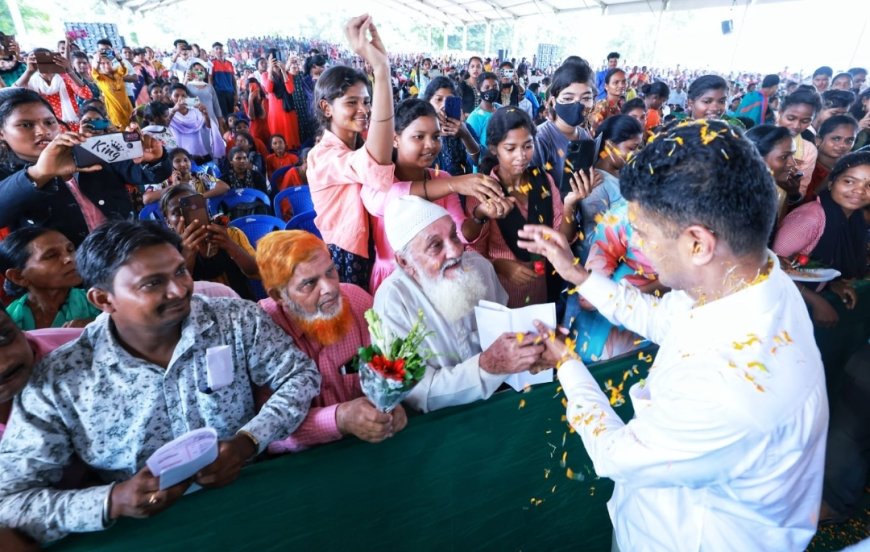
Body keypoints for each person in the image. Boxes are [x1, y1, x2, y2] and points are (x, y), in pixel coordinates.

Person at [518, 118, 827, 552]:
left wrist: (566, 364)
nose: (637, 244)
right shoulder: (750, 276)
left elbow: (614, 454)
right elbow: (666, 319)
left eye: (642, 232)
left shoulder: (726, 390)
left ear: (698, 244)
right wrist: (577, 275)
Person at [0, 220, 320, 544]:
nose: (180, 290)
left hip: (254, 500)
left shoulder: (234, 319)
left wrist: (247, 442)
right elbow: (11, 502)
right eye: (153, 283)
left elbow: (299, 376)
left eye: (180, 271)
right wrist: (114, 501)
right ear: (103, 300)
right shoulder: (61, 380)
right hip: (147, 534)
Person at [374, 195, 546, 412]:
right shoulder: (392, 301)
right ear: (404, 262)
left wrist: (531, 352)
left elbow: (506, 332)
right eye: (436, 245)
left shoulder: (480, 267)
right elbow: (415, 393)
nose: (456, 251)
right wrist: (486, 366)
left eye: (454, 236)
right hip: (441, 426)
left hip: (502, 404)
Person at [255, 230, 407, 452]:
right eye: (309, 283)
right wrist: (340, 419)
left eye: (330, 272)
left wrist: (393, 404)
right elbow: (266, 433)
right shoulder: (261, 333)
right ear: (279, 296)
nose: (330, 288)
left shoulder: (358, 302)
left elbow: (387, 373)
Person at [363, 98, 502, 293]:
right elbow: (393, 198)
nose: (430, 145)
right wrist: (454, 184)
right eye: (419, 137)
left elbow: (461, 234)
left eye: (436, 137)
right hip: (394, 283)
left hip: (437, 278)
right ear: (395, 139)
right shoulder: (380, 181)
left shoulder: (442, 179)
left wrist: (480, 213)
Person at [0, 88, 169, 246]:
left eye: (49, 122)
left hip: (126, 252)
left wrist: (154, 159)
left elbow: (150, 175)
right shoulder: (7, 175)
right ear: (2, 133)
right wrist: (38, 173)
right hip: (69, 272)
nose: (42, 131)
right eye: (26, 125)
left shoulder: (87, 149)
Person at [307, 15, 397, 288]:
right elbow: (376, 167)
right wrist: (381, 71)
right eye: (352, 102)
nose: (365, 110)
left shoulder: (362, 141)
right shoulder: (322, 157)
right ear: (326, 108)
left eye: (367, 101)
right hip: (347, 257)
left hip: (377, 247)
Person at [467, 107, 588, 307]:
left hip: (540, 288)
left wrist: (569, 205)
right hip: (500, 294)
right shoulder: (484, 191)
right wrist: (499, 265)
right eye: (511, 148)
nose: (521, 156)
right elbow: (472, 252)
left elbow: (562, 238)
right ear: (494, 148)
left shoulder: (543, 180)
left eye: (527, 146)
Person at [773, 151, 869, 327]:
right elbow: (769, 267)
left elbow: (820, 267)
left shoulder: (855, 219)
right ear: (832, 183)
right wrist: (815, 300)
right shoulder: (810, 218)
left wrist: (833, 284)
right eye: (849, 181)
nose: (859, 190)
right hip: (781, 308)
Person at [161, 184, 259, 300]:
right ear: (168, 222)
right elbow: (178, 292)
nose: (185, 216)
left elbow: (254, 270)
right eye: (177, 213)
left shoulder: (230, 234)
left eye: (192, 207)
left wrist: (230, 245)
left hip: (242, 305)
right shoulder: (170, 252)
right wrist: (188, 252)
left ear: (205, 208)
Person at [0, 227, 101, 330]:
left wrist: (100, 324)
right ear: (18, 276)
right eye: (51, 255)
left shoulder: (100, 303)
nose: (70, 258)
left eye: (70, 250)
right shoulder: (9, 320)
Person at [578, 115, 644, 262]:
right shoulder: (597, 183)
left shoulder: (624, 172)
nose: (637, 153)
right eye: (632, 148)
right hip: (603, 260)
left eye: (639, 147)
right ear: (609, 146)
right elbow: (593, 236)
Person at [533, 61, 596, 200]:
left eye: (586, 98)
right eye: (568, 98)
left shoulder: (584, 136)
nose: (578, 105)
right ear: (554, 101)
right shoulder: (540, 138)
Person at [14, 48, 93, 132]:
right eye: (38, 60)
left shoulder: (65, 77)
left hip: (71, 126)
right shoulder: (30, 81)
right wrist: (28, 71)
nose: (43, 63)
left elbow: (87, 95)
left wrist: (69, 69)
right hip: (44, 128)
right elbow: (13, 95)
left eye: (47, 59)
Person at [421, 77, 480, 176]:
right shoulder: (421, 128)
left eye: (449, 101)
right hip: (431, 187)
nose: (444, 105)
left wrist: (465, 135)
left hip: (461, 187)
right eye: (438, 99)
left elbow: (476, 160)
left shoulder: (464, 128)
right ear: (428, 102)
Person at [744, 124, 801, 224]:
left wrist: (793, 194)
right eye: (784, 157)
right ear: (757, 158)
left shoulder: (764, 188)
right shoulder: (745, 199)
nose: (793, 163)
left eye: (792, 155)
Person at [143, 147, 229, 205]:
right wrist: (173, 186)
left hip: (200, 215)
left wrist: (200, 197)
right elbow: (146, 198)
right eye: (178, 161)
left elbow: (224, 187)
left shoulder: (199, 176)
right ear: (170, 165)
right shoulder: (164, 180)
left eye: (185, 160)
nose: (183, 164)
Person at [777, 89, 822, 198]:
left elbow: (802, 191)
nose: (796, 126)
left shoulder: (809, 150)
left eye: (805, 121)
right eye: (791, 118)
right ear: (780, 112)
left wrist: (793, 192)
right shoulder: (760, 136)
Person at [805, 115, 859, 204]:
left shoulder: (852, 168)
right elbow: (803, 203)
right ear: (818, 140)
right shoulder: (806, 167)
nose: (843, 145)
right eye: (836, 138)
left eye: (849, 140)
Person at [185, 60, 226, 160]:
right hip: (196, 122)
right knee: (200, 147)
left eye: (201, 70)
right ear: (192, 72)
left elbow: (216, 105)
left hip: (212, 120)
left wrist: (220, 122)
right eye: (196, 70)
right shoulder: (188, 86)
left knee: (213, 145)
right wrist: (185, 81)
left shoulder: (209, 87)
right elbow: (185, 101)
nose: (199, 71)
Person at [263, 54, 301, 150]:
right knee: (277, 133)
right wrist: (271, 70)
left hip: (287, 109)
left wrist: (284, 71)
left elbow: (290, 90)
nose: (274, 62)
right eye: (272, 60)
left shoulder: (287, 74)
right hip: (275, 111)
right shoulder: (265, 75)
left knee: (290, 134)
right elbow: (269, 89)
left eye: (276, 59)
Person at [167, 83, 212, 162]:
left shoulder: (195, 111)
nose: (180, 98)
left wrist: (205, 114)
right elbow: (164, 128)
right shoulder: (168, 113)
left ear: (187, 97)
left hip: (199, 152)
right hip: (180, 156)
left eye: (183, 95)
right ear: (170, 97)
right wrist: (174, 110)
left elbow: (208, 127)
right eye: (176, 95)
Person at [89, 52, 133, 128]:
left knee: (134, 127)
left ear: (111, 63)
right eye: (102, 63)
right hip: (114, 109)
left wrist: (119, 59)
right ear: (99, 66)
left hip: (127, 105)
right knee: (121, 131)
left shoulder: (117, 73)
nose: (106, 65)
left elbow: (124, 70)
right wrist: (97, 61)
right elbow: (94, 72)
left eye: (108, 62)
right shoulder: (100, 78)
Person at [465, 71, 500, 148]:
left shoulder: (501, 109)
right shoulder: (474, 118)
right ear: (479, 91)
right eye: (487, 87)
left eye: (495, 87)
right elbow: (471, 148)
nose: (491, 90)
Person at [590, 68, 626, 132]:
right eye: (616, 82)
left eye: (623, 82)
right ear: (606, 86)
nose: (621, 85)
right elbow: (595, 131)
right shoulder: (602, 105)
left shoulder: (622, 104)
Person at [210, 42, 237, 118]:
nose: (219, 50)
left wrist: (236, 93)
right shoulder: (212, 63)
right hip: (219, 93)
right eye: (217, 49)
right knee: (223, 116)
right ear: (214, 51)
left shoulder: (230, 63)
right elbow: (210, 79)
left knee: (232, 115)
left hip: (230, 93)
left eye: (220, 48)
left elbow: (233, 80)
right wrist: (212, 93)